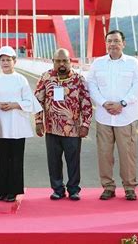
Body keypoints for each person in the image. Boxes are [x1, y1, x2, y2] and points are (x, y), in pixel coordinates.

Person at [87, 30, 138, 201]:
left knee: (127, 153)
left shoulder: (133, 64)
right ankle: (108, 187)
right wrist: (103, 103)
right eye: (109, 41)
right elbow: (91, 84)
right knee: (104, 153)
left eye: (116, 41)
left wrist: (123, 103)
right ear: (106, 43)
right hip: (104, 116)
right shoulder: (98, 64)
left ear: (123, 43)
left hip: (125, 116)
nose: (113, 44)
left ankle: (129, 187)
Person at [34, 48, 92, 200]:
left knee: (73, 161)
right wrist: (39, 122)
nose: (61, 64)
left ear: (70, 62)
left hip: (73, 129)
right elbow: (38, 100)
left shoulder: (79, 79)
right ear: (53, 62)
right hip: (51, 128)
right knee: (54, 161)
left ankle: (73, 189)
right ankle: (58, 189)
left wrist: (85, 125)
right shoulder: (46, 77)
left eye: (65, 61)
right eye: (58, 61)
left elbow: (86, 102)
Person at [0, 46, 41, 202]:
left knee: (16, 159)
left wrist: (13, 104)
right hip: (0, 124)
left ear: (14, 61)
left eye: (8, 60)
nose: (5, 63)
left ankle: (14, 191)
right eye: (2, 60)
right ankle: (3, 191)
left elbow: (28, 101)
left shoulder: (21, 79)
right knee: (3, 158)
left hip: (17, 125)